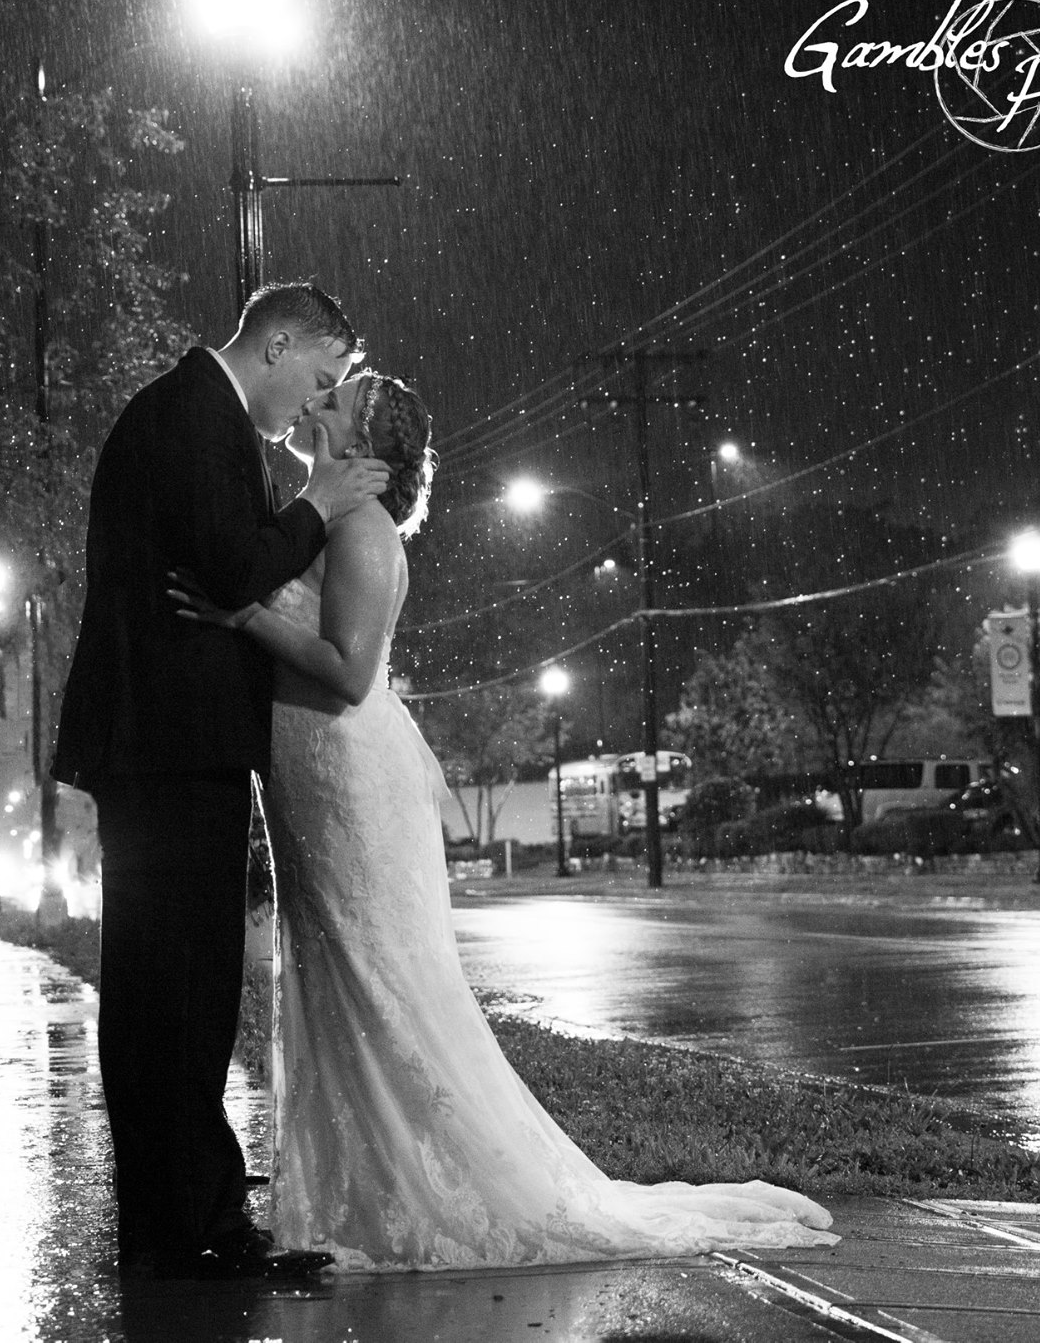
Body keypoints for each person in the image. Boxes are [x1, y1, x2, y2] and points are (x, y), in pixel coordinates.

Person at [168, 372, 839, 1271]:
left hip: (348, 776)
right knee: (338, 976)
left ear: (362, 443)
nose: (315, 403)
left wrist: (245, 613)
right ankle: (363, 1185)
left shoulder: (363, 531)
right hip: (306, 780)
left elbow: (348, 669)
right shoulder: (325, 516)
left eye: (336, 400)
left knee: (381, 978)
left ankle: (433, 1186)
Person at [51, 283, 391, 1281]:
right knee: (179, 991)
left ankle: (178, 1218)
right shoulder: (194, 415)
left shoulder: (187, 412)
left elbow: (221, 564)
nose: (313, 400)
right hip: (168, 740)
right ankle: (193, 1227)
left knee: (172, 990)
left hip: (163, 739)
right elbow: (233, 565)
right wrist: (320, 506)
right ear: (278, 343)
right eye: (319, 378)